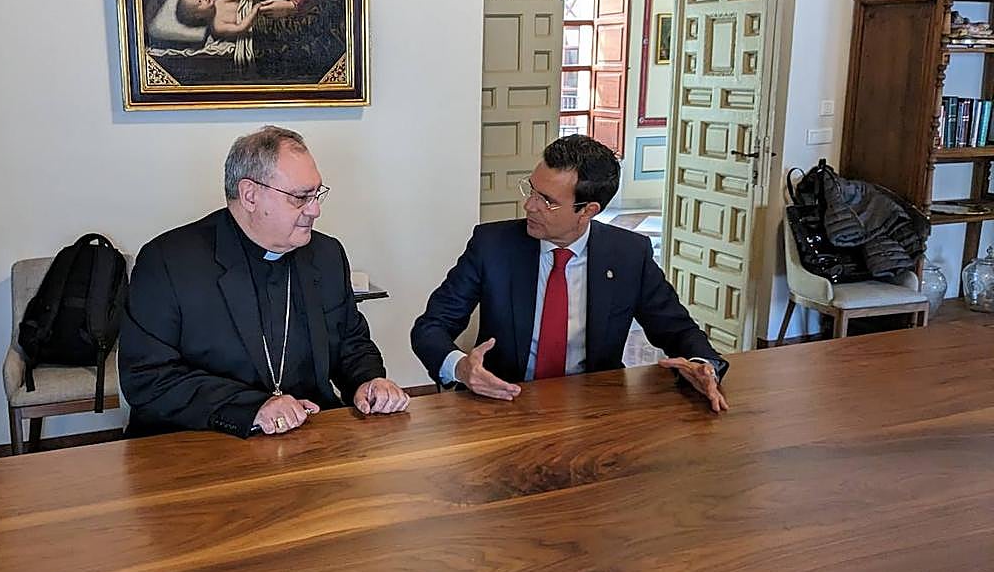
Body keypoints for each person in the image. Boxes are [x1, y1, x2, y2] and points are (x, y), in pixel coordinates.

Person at [119, 126, 409, 437]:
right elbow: (147, 377)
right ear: (250, 195)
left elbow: (351, 344)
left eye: (316, 194)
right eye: (300, 198)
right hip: (202, 441)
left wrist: (368, 381)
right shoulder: (168, 262)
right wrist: (253, 408)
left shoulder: (326, 254)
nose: (315, 210)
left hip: (308, 436)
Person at [411, 135, 730, 412]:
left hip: (595, 409)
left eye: (546, 201)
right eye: (532, 191)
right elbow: (430, 327)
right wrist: (460, 366)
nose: (529, 205)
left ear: (588, 210)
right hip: (503, 402)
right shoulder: (493, 246)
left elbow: (677, 329)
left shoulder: (629, 255)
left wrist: (703, 365)